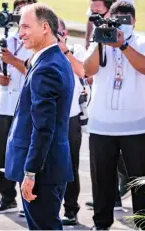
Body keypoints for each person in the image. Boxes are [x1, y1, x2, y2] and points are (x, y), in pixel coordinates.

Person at [83, 2, 145, 230]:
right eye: (116, 20)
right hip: (101, 125)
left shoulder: (144, 42)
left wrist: (122, 45)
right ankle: (101, 223)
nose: (120, 24)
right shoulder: (101, 40)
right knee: (101, 178)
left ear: (134, 21)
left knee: (140, 179)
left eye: (125, 20)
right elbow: (88, 69)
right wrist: (100, 43)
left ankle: (144, 223)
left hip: (136, 125)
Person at [4, 3, 75, 230]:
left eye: (25, 26)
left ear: (45, 27)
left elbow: (43, 127)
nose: (20, 33)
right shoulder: (52, 60)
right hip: (50, 166)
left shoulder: (47, 67)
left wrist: (31, 172)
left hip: (42, 170)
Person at [0, 0, 34, 215]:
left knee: (26, 153)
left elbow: (36, 71)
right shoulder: (7, 38)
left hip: (27, 107)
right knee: (3, 153)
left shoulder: (38, 40)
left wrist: (13, 60)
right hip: (5, 104)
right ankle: (6, 197)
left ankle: (30, 200)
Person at [56, 19, 86, 226]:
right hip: (47, 118)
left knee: (70, 166)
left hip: (70, 117)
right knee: (43, 165)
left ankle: (71, 209)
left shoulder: (76, 50)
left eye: (58, 32)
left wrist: (64, 50)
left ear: (64, 32)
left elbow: (83, 71)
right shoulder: (42, 51)